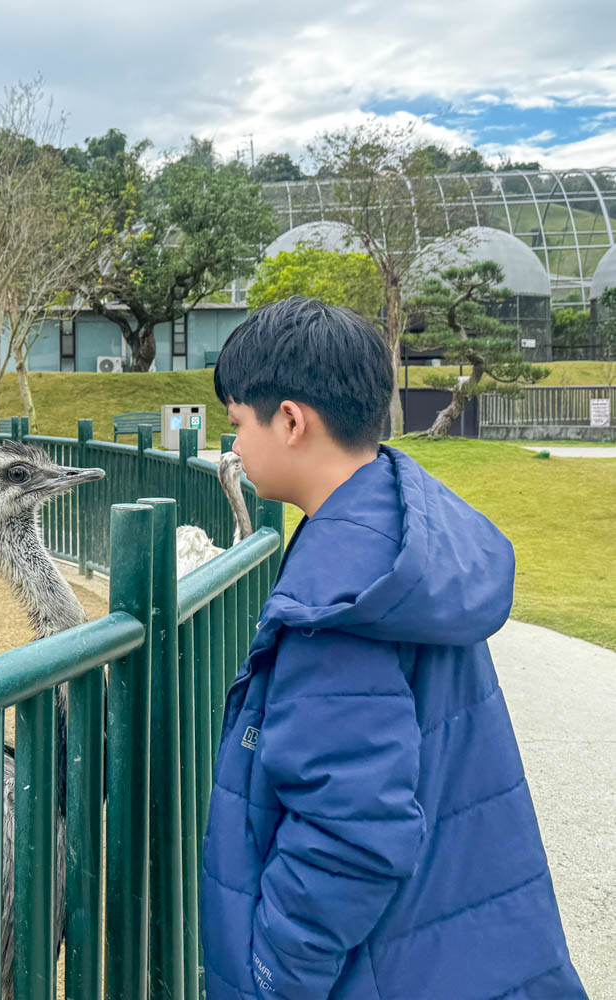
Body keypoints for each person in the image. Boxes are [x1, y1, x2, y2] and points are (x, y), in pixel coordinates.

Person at [200, 296, 585, 999]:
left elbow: (351, 831)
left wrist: (270, 977)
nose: (233, 449)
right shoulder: (396, 537)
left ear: (289, 420)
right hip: (454, 949)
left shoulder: (343, 595)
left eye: (236, 425)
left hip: (385, 970)